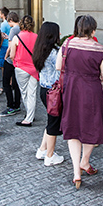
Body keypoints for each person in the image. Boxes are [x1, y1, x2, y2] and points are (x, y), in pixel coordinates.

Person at [58, 15, 103, 190]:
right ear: (93, 30)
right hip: (92, 92)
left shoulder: (67, 45)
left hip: (72, 90)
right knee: (92, 127)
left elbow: (59, 66)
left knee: (73, 129)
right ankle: (85, 161)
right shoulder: (99, 49)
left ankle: (76, 173)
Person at [32, 21, 64, 166]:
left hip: (44, 90)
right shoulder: (54, 53)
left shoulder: (40, 50)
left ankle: (42, 149)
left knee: (51, 121)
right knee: (53, 125)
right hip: (54, 92)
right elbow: (60, 74)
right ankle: (50, 156)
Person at [8, 15, 38, 126]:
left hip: (21, 68)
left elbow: (12, 55)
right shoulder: (36, 37)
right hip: (34, 68)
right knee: (32, 93)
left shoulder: (17, 37)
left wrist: (15, 62)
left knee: (24, 93)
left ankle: (28, 117)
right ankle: (31, 115)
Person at [1, 11, 22, 116]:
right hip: (19, 59)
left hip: (11, 60)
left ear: (10, 20)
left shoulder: (13, 29)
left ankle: (10, 105)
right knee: (16, 83)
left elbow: (10, 45)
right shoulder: (21, 29)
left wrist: (6, 56)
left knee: (6, 83)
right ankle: (17, 104)